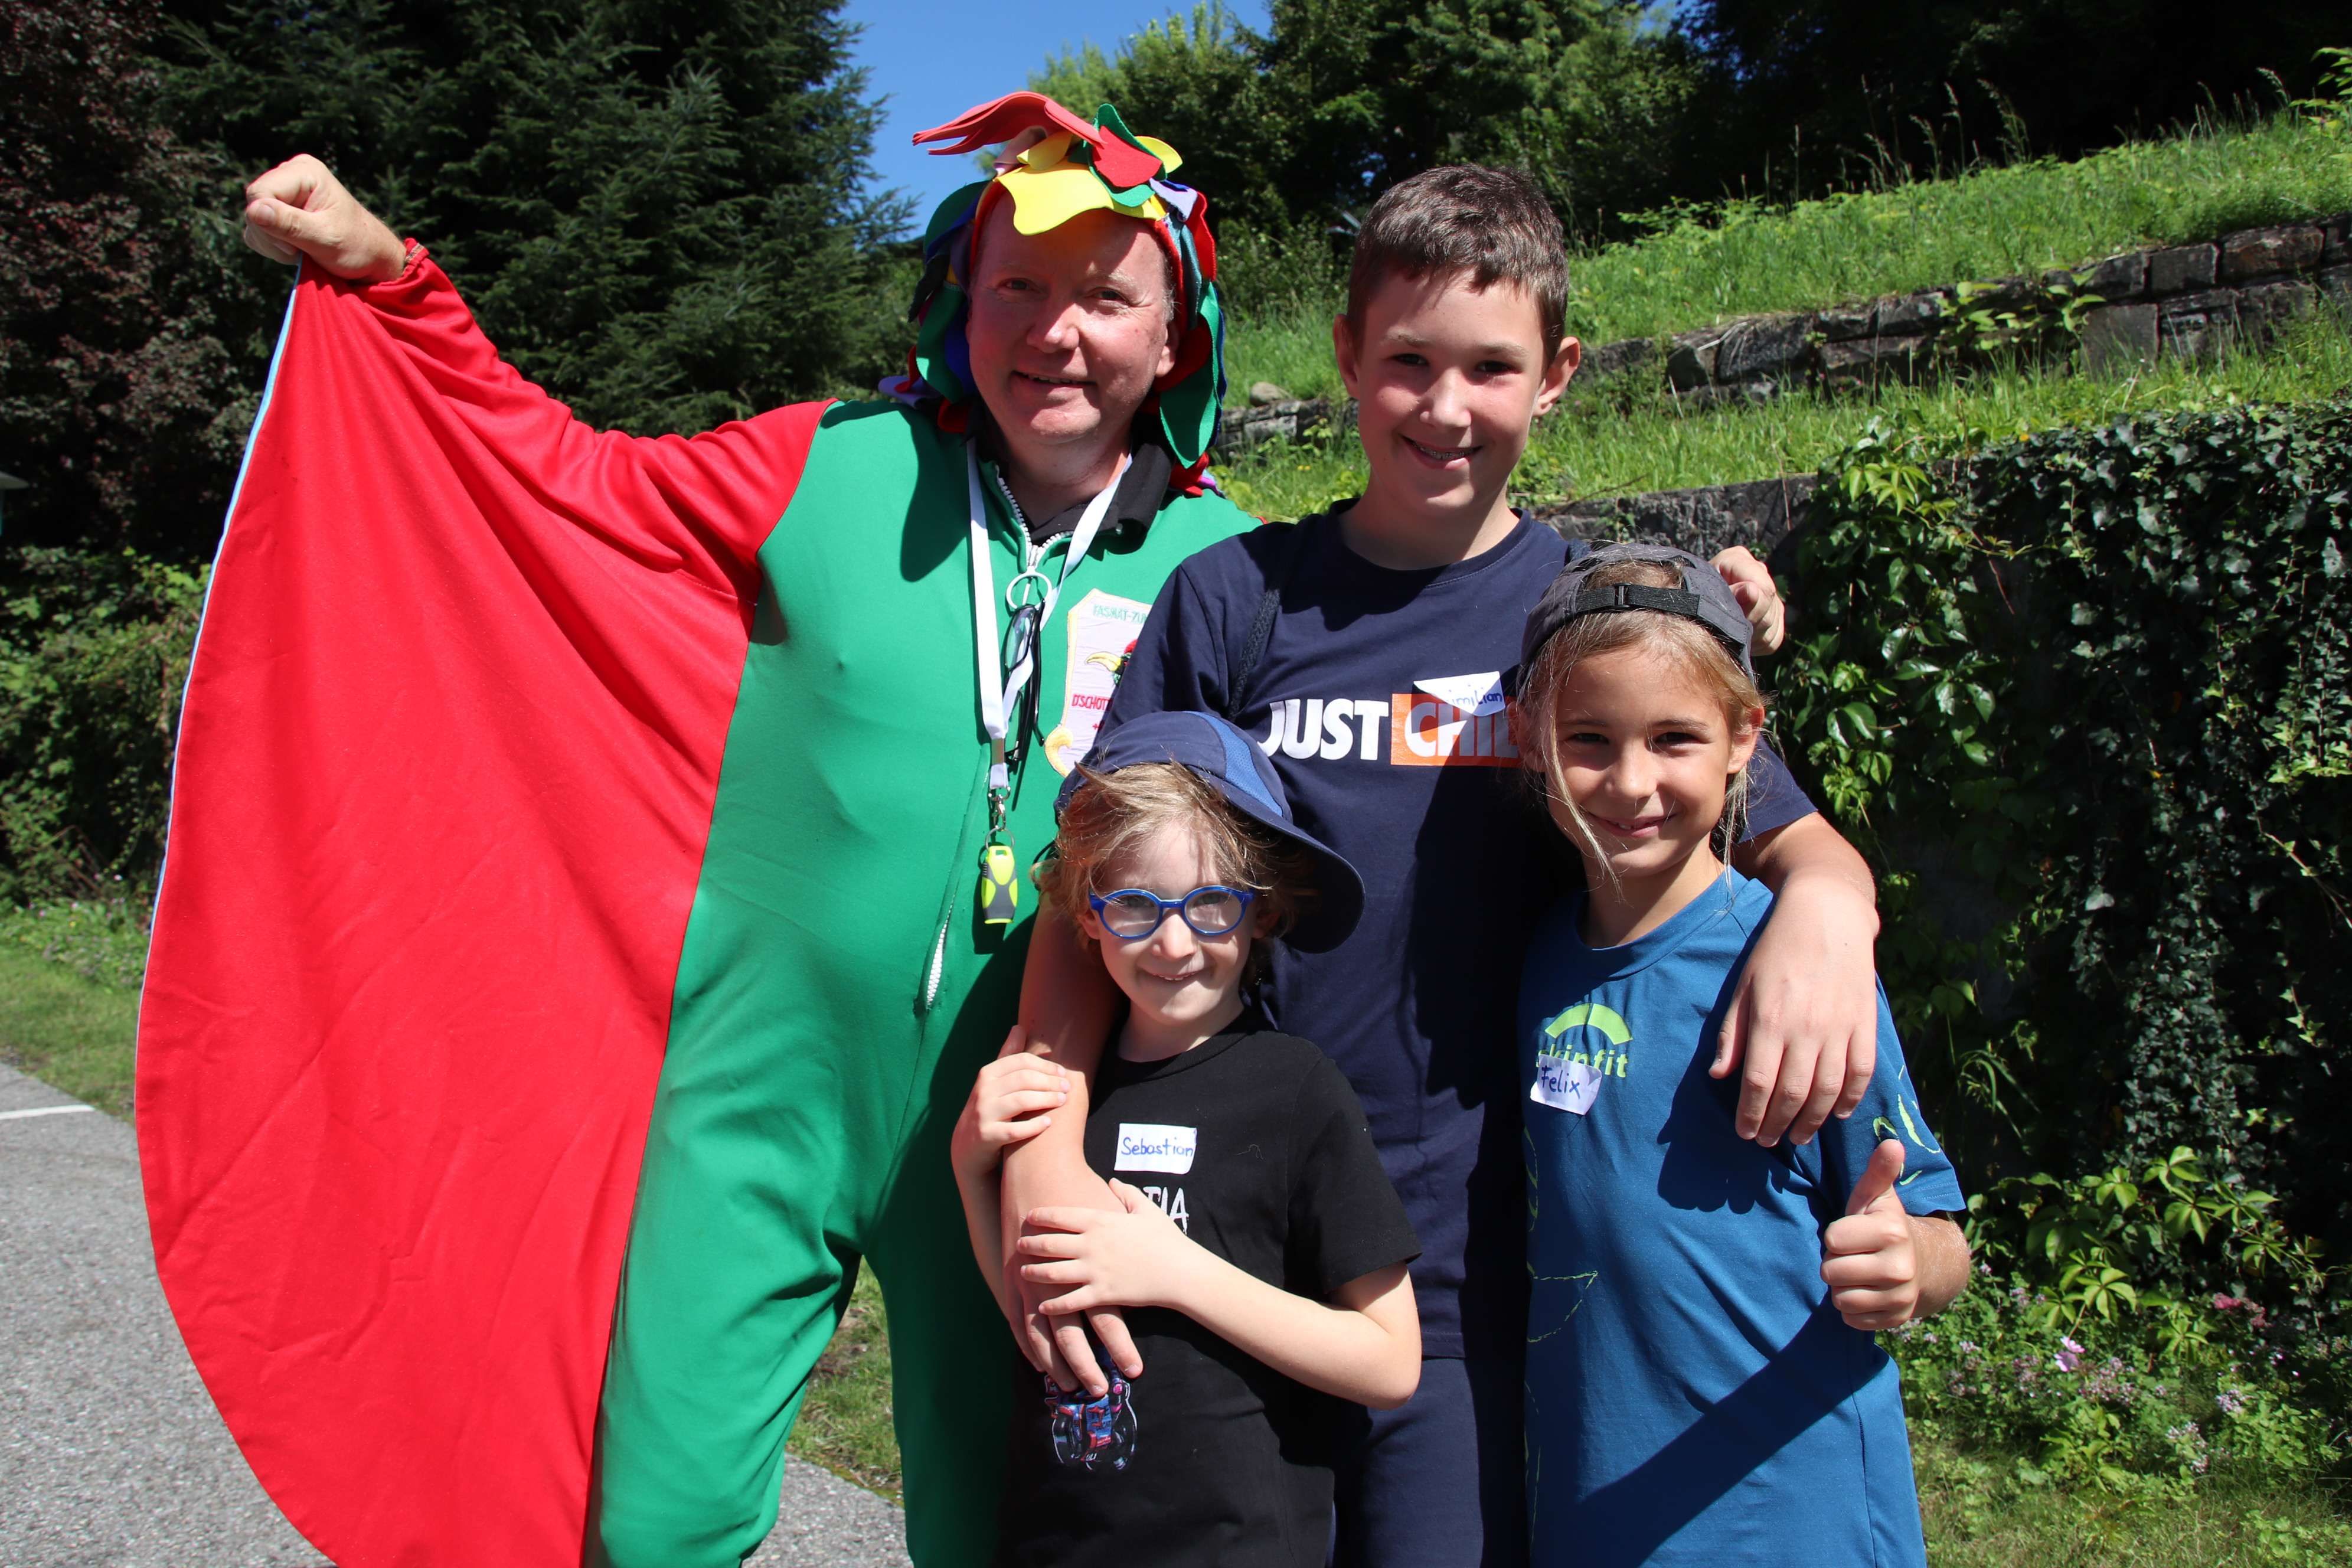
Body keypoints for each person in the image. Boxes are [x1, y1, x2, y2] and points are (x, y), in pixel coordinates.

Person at [140, 92, 1253, 1568]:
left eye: (1104, 298)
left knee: (1003, 1527)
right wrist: (394, 282)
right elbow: (556, 480)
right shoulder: (836, 462)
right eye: (1017, 288)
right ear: (961, 299)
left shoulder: (1226, 564)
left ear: (1173, 339)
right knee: (658, 1516)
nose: (1055, 332)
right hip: (758, 1087)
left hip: (1030, 1117)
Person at [1005, 165, 1890, 1566]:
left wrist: (1836, 907)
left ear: (1559, 375)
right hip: (1212, 1235)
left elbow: (1785, 830)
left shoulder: (1584, 626)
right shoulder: (1236, 600)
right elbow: (1090, 877)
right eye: (1409, 360)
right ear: (1348, 356)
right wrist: (1049, 1126)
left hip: (1469, 1275)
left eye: (1491, 367)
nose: (1445, 405)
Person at [1510, 544, 1969, 1566]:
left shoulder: (1800, 969)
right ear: (1528, 739)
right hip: (1593, 1518)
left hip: (1794, 1522)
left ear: (1743, 740)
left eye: (1675, 738)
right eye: (1589, 740)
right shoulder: (1537, 958)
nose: (1631, 782)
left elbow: (1937, 1226)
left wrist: (1911, 1266)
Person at [952, 709, 1422, 1564]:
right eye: (1135, 906)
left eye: (1210, 905)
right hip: (1057, 1541)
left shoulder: (1297, 1091)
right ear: (1087, 915)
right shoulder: (1066, 1098)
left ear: (1262, 912)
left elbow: (1389, 1362)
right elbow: (1032, 1310)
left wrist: (1177, 1273)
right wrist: (970, 1171)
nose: (1174, 943)